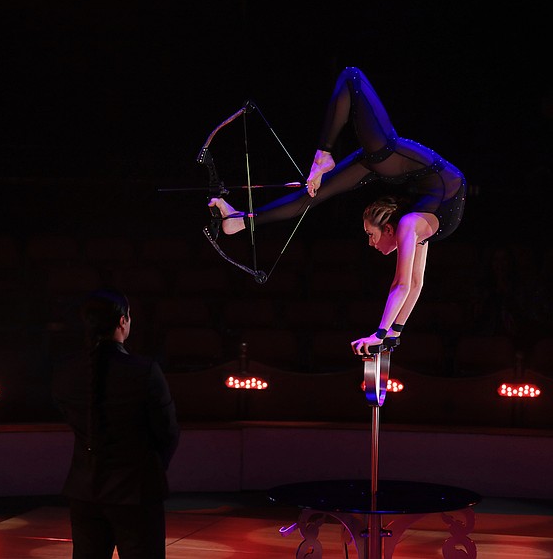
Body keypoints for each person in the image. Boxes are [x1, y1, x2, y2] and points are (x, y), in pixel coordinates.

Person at [207, 66, 467, 355]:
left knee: (313, 193)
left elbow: (413, 283)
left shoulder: (417, 224)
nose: (369, 242)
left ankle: (242, 220)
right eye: (371, 235)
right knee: (352, 77)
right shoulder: (410, 225)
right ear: (389, 229)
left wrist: (387, 334)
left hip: (415, 177)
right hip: (396, 161)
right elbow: (404, 284)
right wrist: (384, 334)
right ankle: (318, 158)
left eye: (368, 235)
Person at [52, 287, 180, 559]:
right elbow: (167, 431)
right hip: (136, 492)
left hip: (84, 491)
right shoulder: (144, 371)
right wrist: (154, 465)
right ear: (123, 321)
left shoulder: (66, 372)